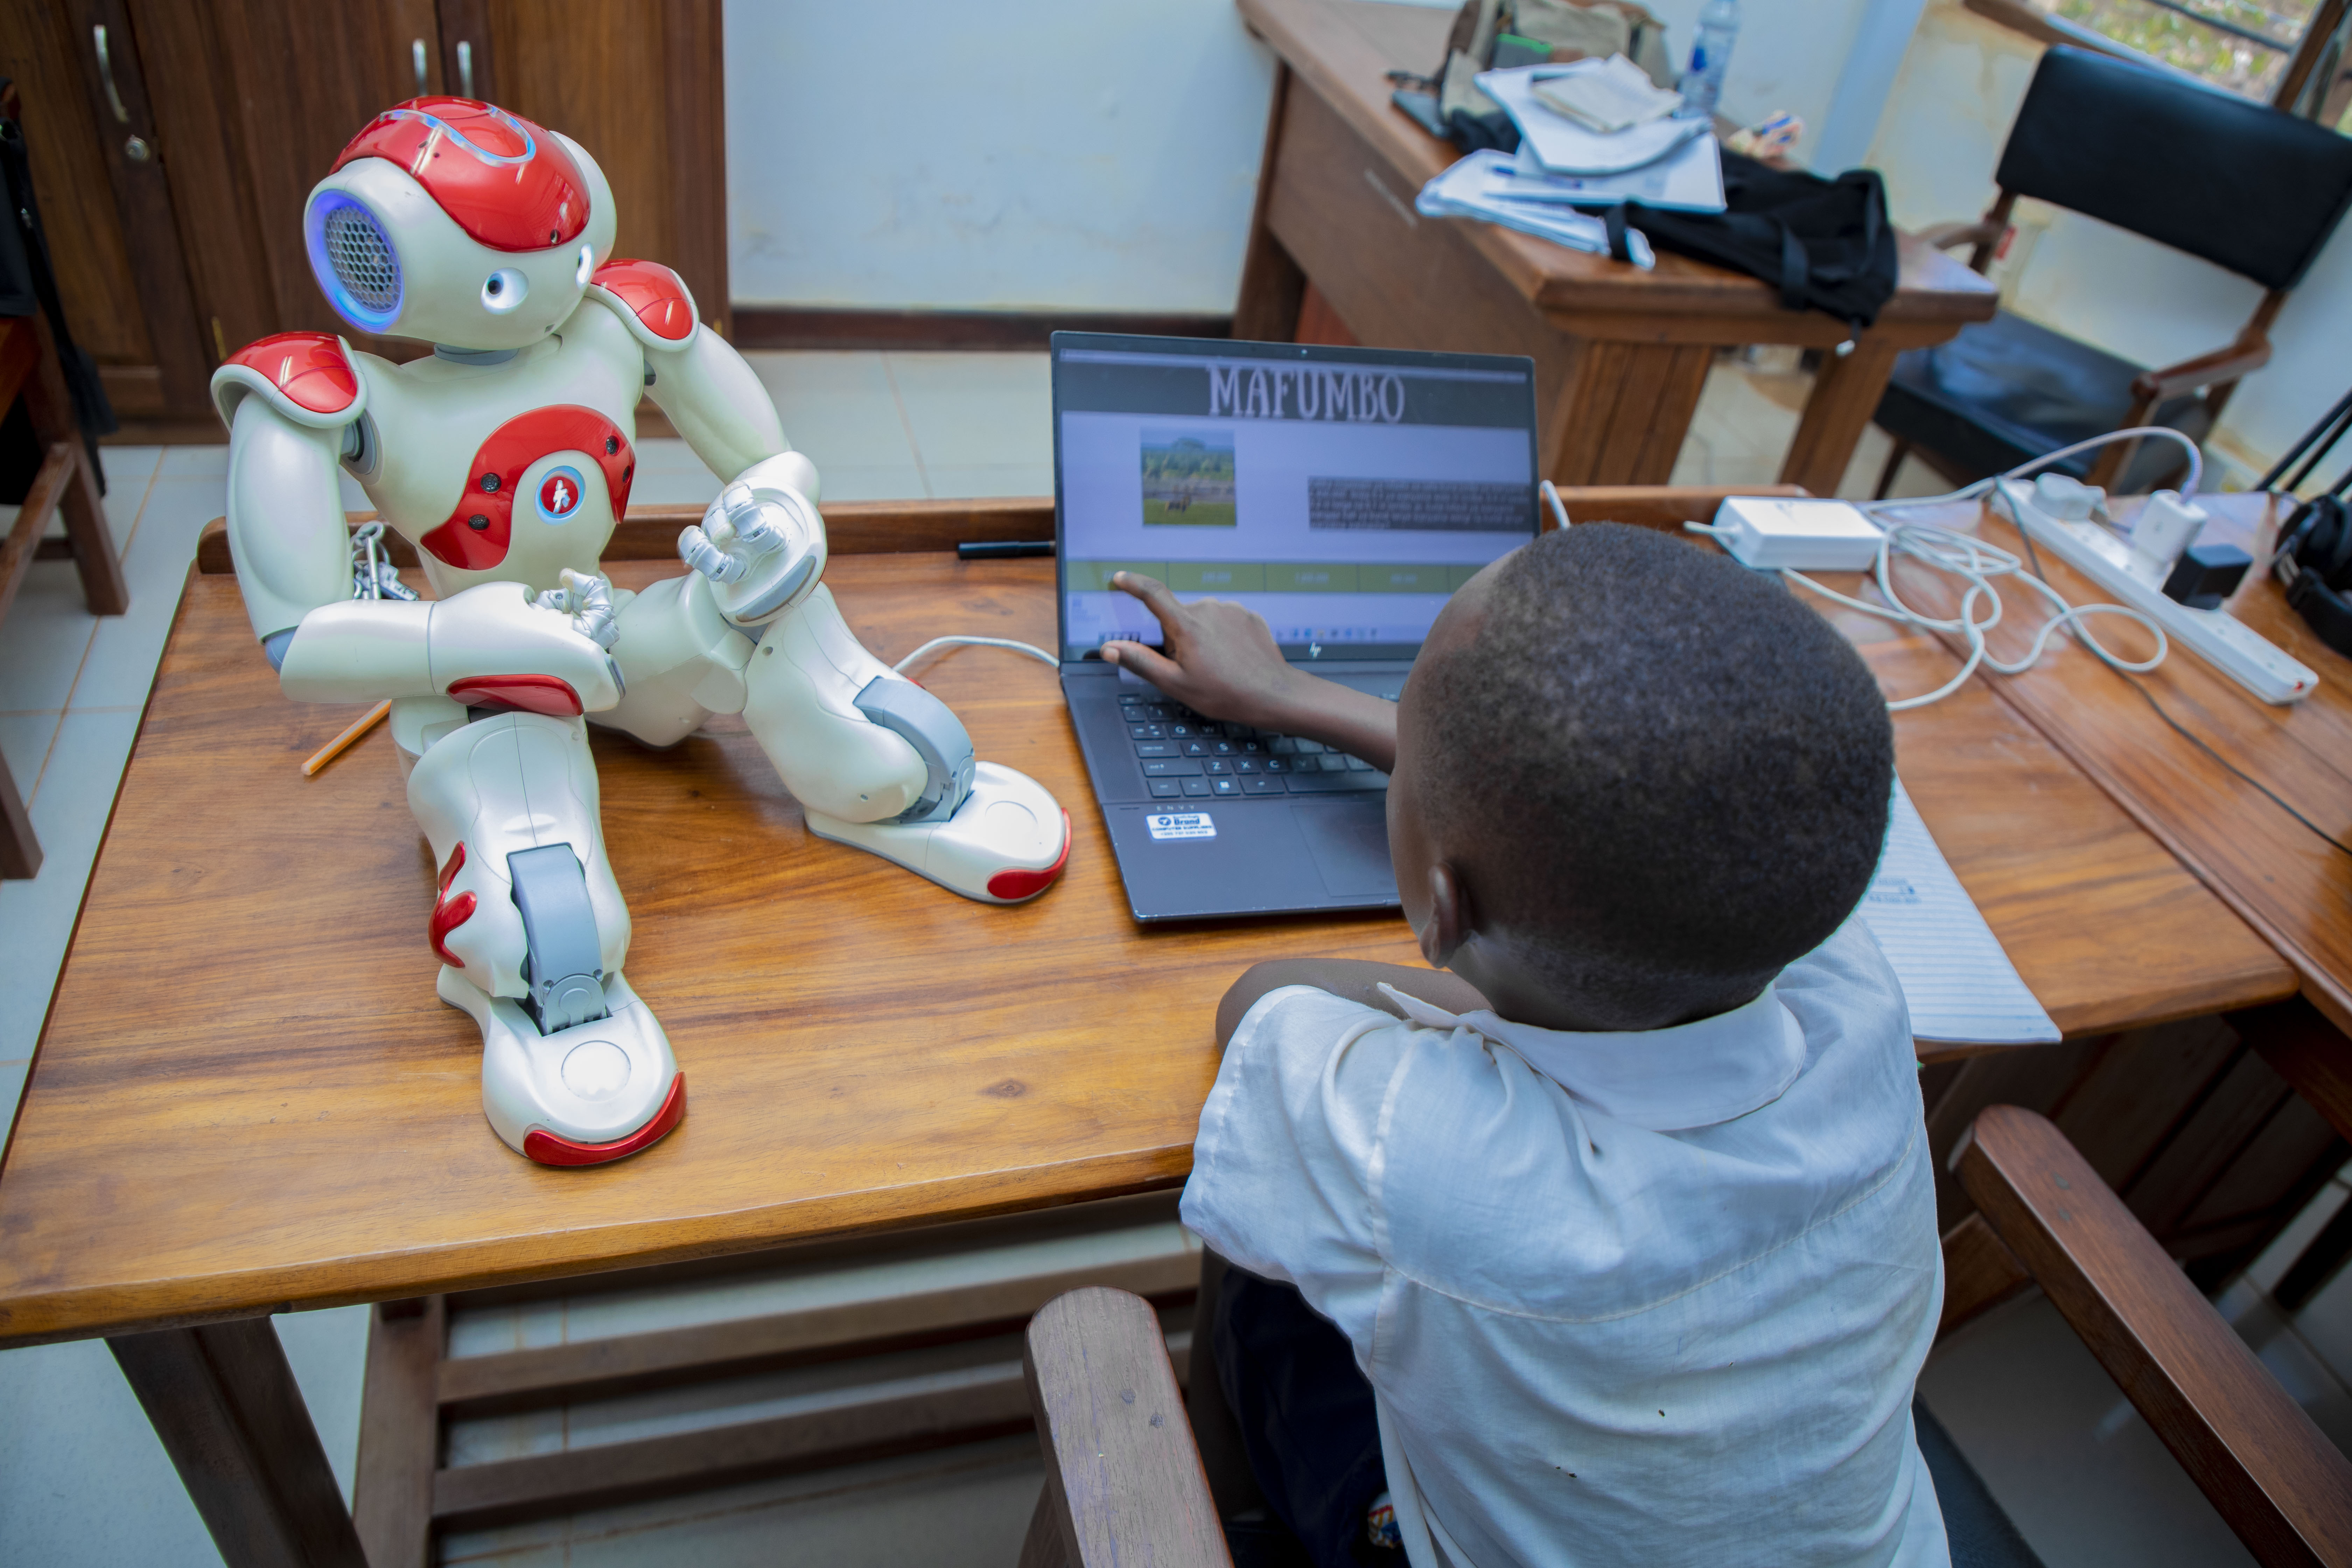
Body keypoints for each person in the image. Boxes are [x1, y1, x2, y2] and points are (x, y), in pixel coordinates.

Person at [1100, 523, 1946, 1568]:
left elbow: (1265, 1005)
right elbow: (1656, 824)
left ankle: (1249, 1524)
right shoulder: (1856, 995)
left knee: (1265, 1252)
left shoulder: (1421, 1162)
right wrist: (1286, 695)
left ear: (1441, 912)